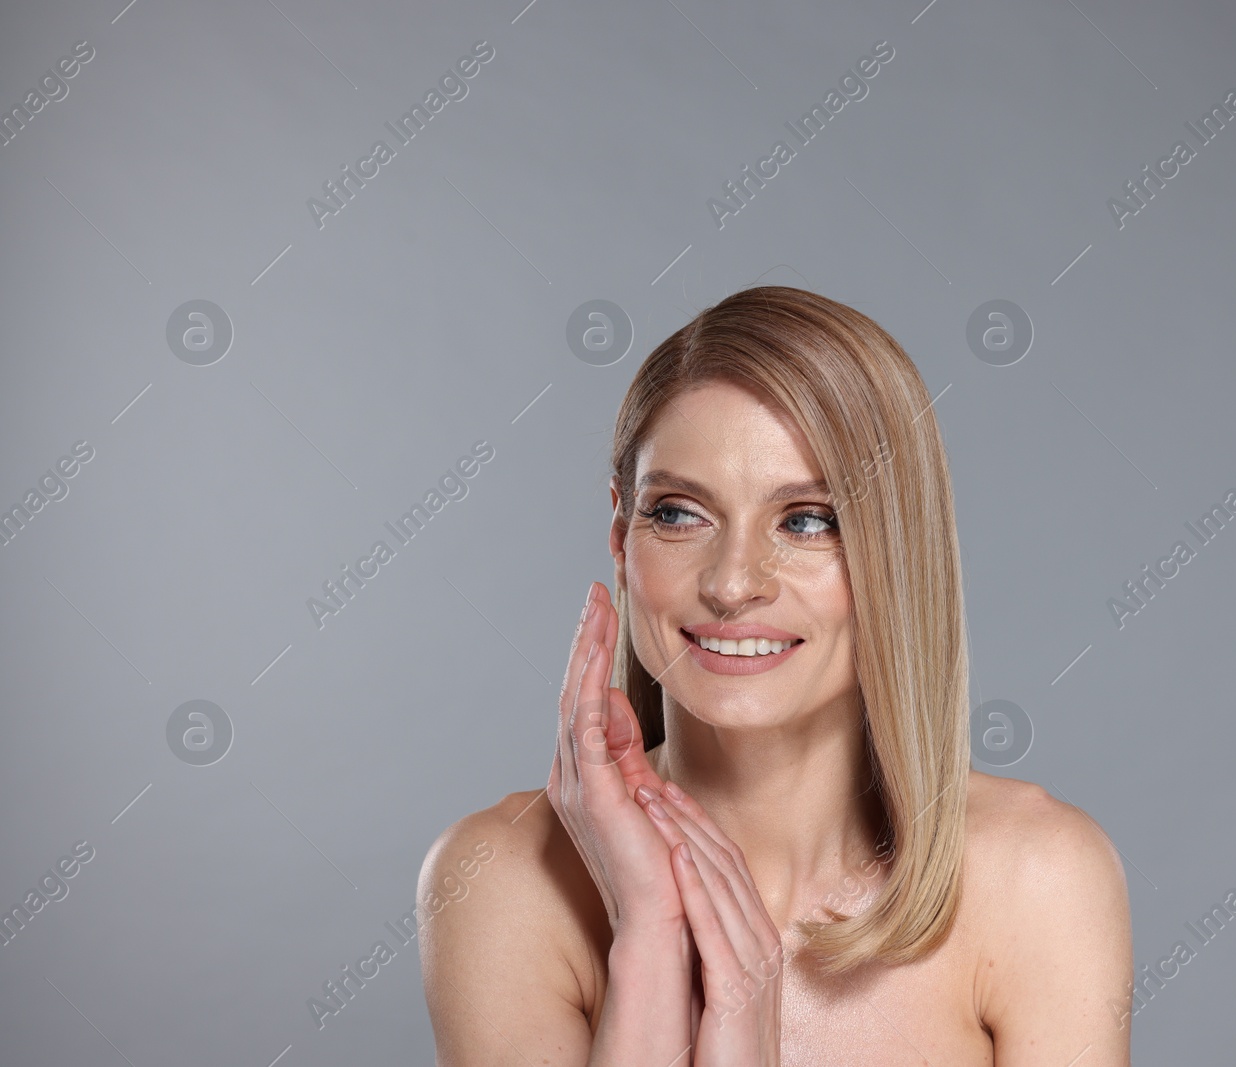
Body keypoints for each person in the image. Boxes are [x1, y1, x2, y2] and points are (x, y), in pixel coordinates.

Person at [418, 285, 1132, 1065]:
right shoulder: (502, 881)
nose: (733, 582)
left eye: (806, 520)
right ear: (621, 537)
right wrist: (651, 943)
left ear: (898, 550)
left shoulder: (1042, 881)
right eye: (680, 512)